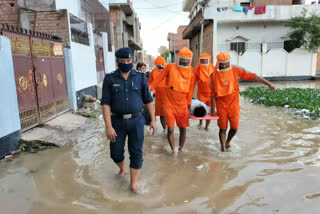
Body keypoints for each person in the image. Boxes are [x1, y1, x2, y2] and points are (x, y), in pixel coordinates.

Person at [101, 47, 156, 194]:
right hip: (117, 122)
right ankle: (122, 168)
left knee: (136, 152)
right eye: (123, 61)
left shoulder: (140, 77)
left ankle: (133, 184)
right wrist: (108, 127)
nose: (126, 63)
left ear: (132, 60)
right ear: (117, 61)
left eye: (129, 61)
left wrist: (153, 120)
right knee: (115, 153)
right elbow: (105, 104)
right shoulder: (110, 78)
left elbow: (149, 100)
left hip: (137, 120)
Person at [210, 52, 276, 152]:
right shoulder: (213, 75)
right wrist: (213, 109)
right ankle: (223, 149)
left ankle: (228, 142)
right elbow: (212, 96)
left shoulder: (236, 69)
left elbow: (253, 76)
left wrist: (268, 83)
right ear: (218, 63)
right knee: (222, 128)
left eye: (225, 63)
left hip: (234, 104)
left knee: (234, 128)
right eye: (221, 64)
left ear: (229, 62)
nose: (223, 65)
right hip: (221, 105)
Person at [149, 47, 195, 152]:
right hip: (168, 102)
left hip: (182, 104)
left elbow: (191, 91)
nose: (184, 61)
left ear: (189, 61)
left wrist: (188, 107)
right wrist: (149, 88)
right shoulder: (170, 67)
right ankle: (173, 150)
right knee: (170, 129)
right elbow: (158, 79)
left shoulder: (191, 72)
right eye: (182, 59)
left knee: (183, 128)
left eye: (186, 60)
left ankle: (181, 149)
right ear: (179, 58)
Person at [194, 53, 214, 130]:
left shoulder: (213, 68)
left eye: (206, 60)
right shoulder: (198, 69)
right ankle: (200, 123)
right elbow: (193, 80)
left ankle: (206, 127)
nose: (204, 61)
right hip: (201, 93)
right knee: (201, 109)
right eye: (202, 60)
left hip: (210, 94)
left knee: (210, 111)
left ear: (209, 59)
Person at [148, 56, 167, 131]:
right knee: (157, 113)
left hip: (167, 96)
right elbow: (150, 83)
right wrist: (150, 91)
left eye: (159, 65)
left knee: (166, 114)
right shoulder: (154, 71)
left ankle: (167, 129)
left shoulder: (168, 70)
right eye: (157, 65)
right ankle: (162, 129)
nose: (158, 66)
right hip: (156, 96)